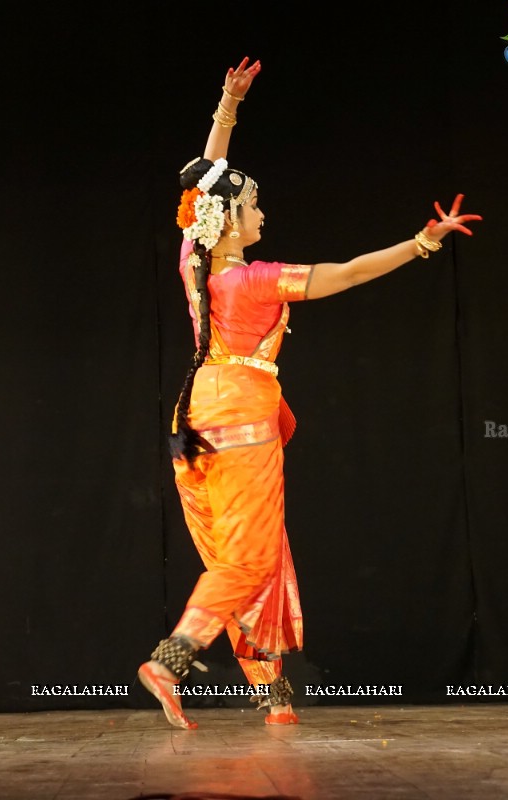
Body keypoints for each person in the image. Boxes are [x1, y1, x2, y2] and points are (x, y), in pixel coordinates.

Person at [137, 57, 482, 730]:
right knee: (253, 555)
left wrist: (226, 109)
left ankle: (273, 697)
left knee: (240, 552)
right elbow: (349, 274)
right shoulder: (255, 280)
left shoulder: (195, 265)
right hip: (240, 410)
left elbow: (205, 187)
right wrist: (422, 243)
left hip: (195, 413)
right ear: (233, 221)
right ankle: (173, 657)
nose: (263, 211)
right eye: (255, 205)